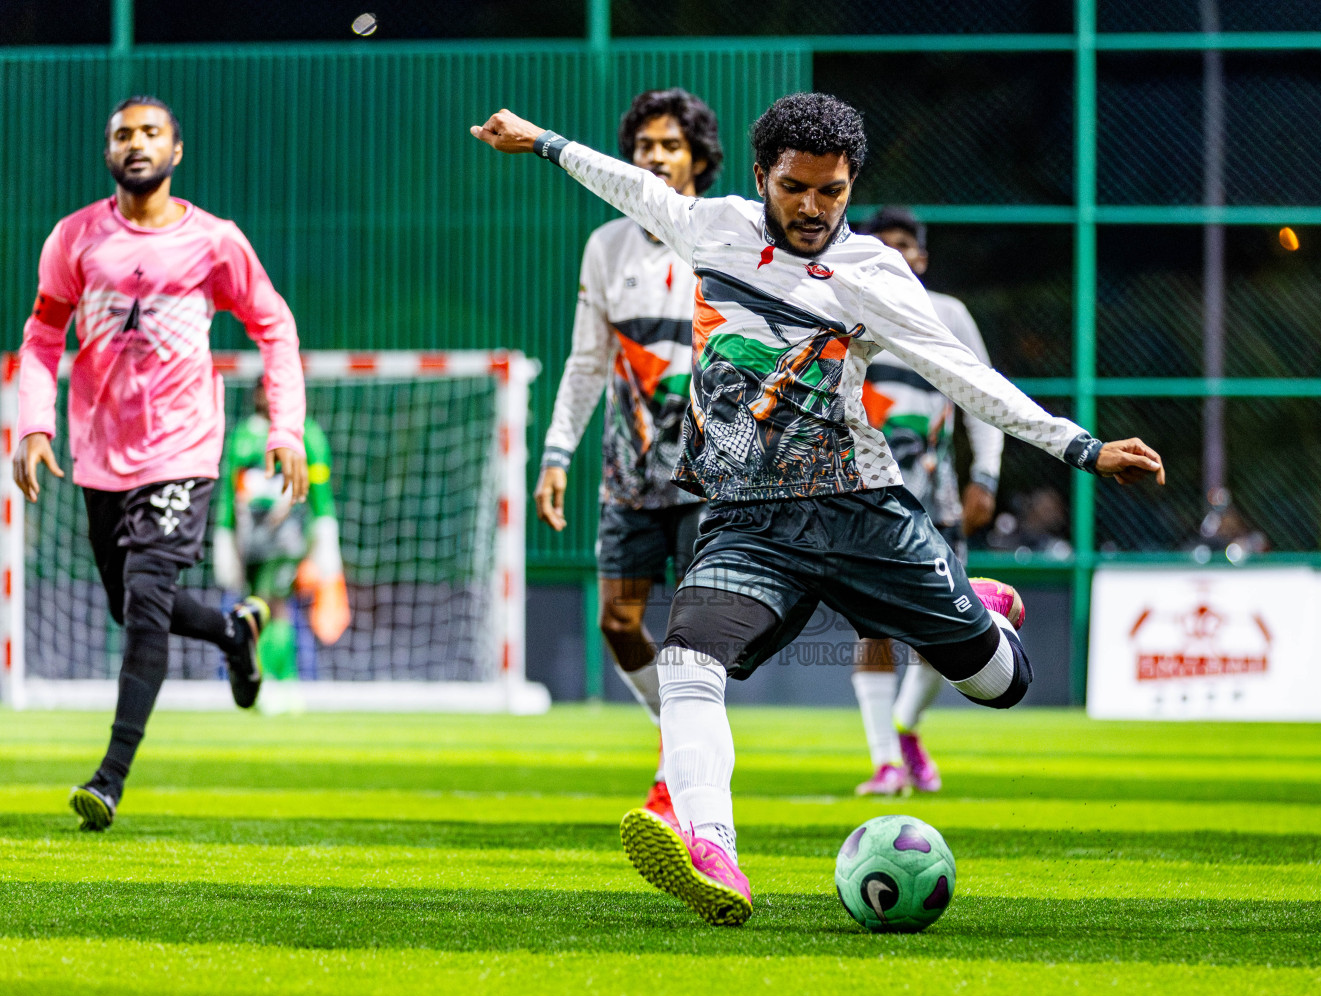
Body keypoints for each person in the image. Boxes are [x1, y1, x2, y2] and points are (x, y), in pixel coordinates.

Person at [471, 92, 1163, 925]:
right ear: (763, 176)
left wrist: (1079, 447)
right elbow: (627, 186)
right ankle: (711, 848)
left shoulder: (874, 274)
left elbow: (961, 374)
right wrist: (539, 140)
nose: (812, 208)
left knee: (1000, 684)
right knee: (689, 663)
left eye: (831, 192)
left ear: (849, 185)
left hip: (861, 513)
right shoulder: (714, 226)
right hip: (747, 522)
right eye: (795, 187)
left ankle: (981, 610)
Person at [13, 96, 308, 831]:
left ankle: (109, 778)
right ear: (107, 151)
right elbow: (43, 334)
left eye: (150, 133)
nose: (135, 143)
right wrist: (31, 424)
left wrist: (287, 429)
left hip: (183, 449)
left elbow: (274, 325)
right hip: (101, 455)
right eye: (122, 134)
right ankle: (233, 632)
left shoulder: (216, 242)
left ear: (177, 151)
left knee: (145, 596)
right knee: (128, 604)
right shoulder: (75, 237)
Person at [533, 89, 723, 827]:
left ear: (698, 158)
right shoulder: (606, 247)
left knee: (694, 638)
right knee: (619, 622)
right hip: (627, 475)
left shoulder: (720, 236)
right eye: (643, 146)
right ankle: (672, 732)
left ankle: (679, 780)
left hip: (711, 475)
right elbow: (586, 363)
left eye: (669, 145)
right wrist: (556, 453)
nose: (652, 157)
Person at [849, 205, 1005, 797]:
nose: (895, 255)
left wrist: (985, 477)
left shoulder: (949, 316)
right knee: (872, 634)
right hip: (863, 499)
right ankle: (886, 762)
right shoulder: (844, 306)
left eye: (905, 246)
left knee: (946, 632)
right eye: (880, 245)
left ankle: (905, 726)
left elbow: (982, 395)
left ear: (921, 257)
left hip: (936, 503)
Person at [212, 378, 346, 713]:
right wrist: (225, 531)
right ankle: (275, 680)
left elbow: (318, 488)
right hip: (250, 537)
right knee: (258, 604)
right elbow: (233, 487)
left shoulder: (304, 433)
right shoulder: (244, 434)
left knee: (276, 603)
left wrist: (324, 527)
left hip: (287, 536)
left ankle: (276, 680)